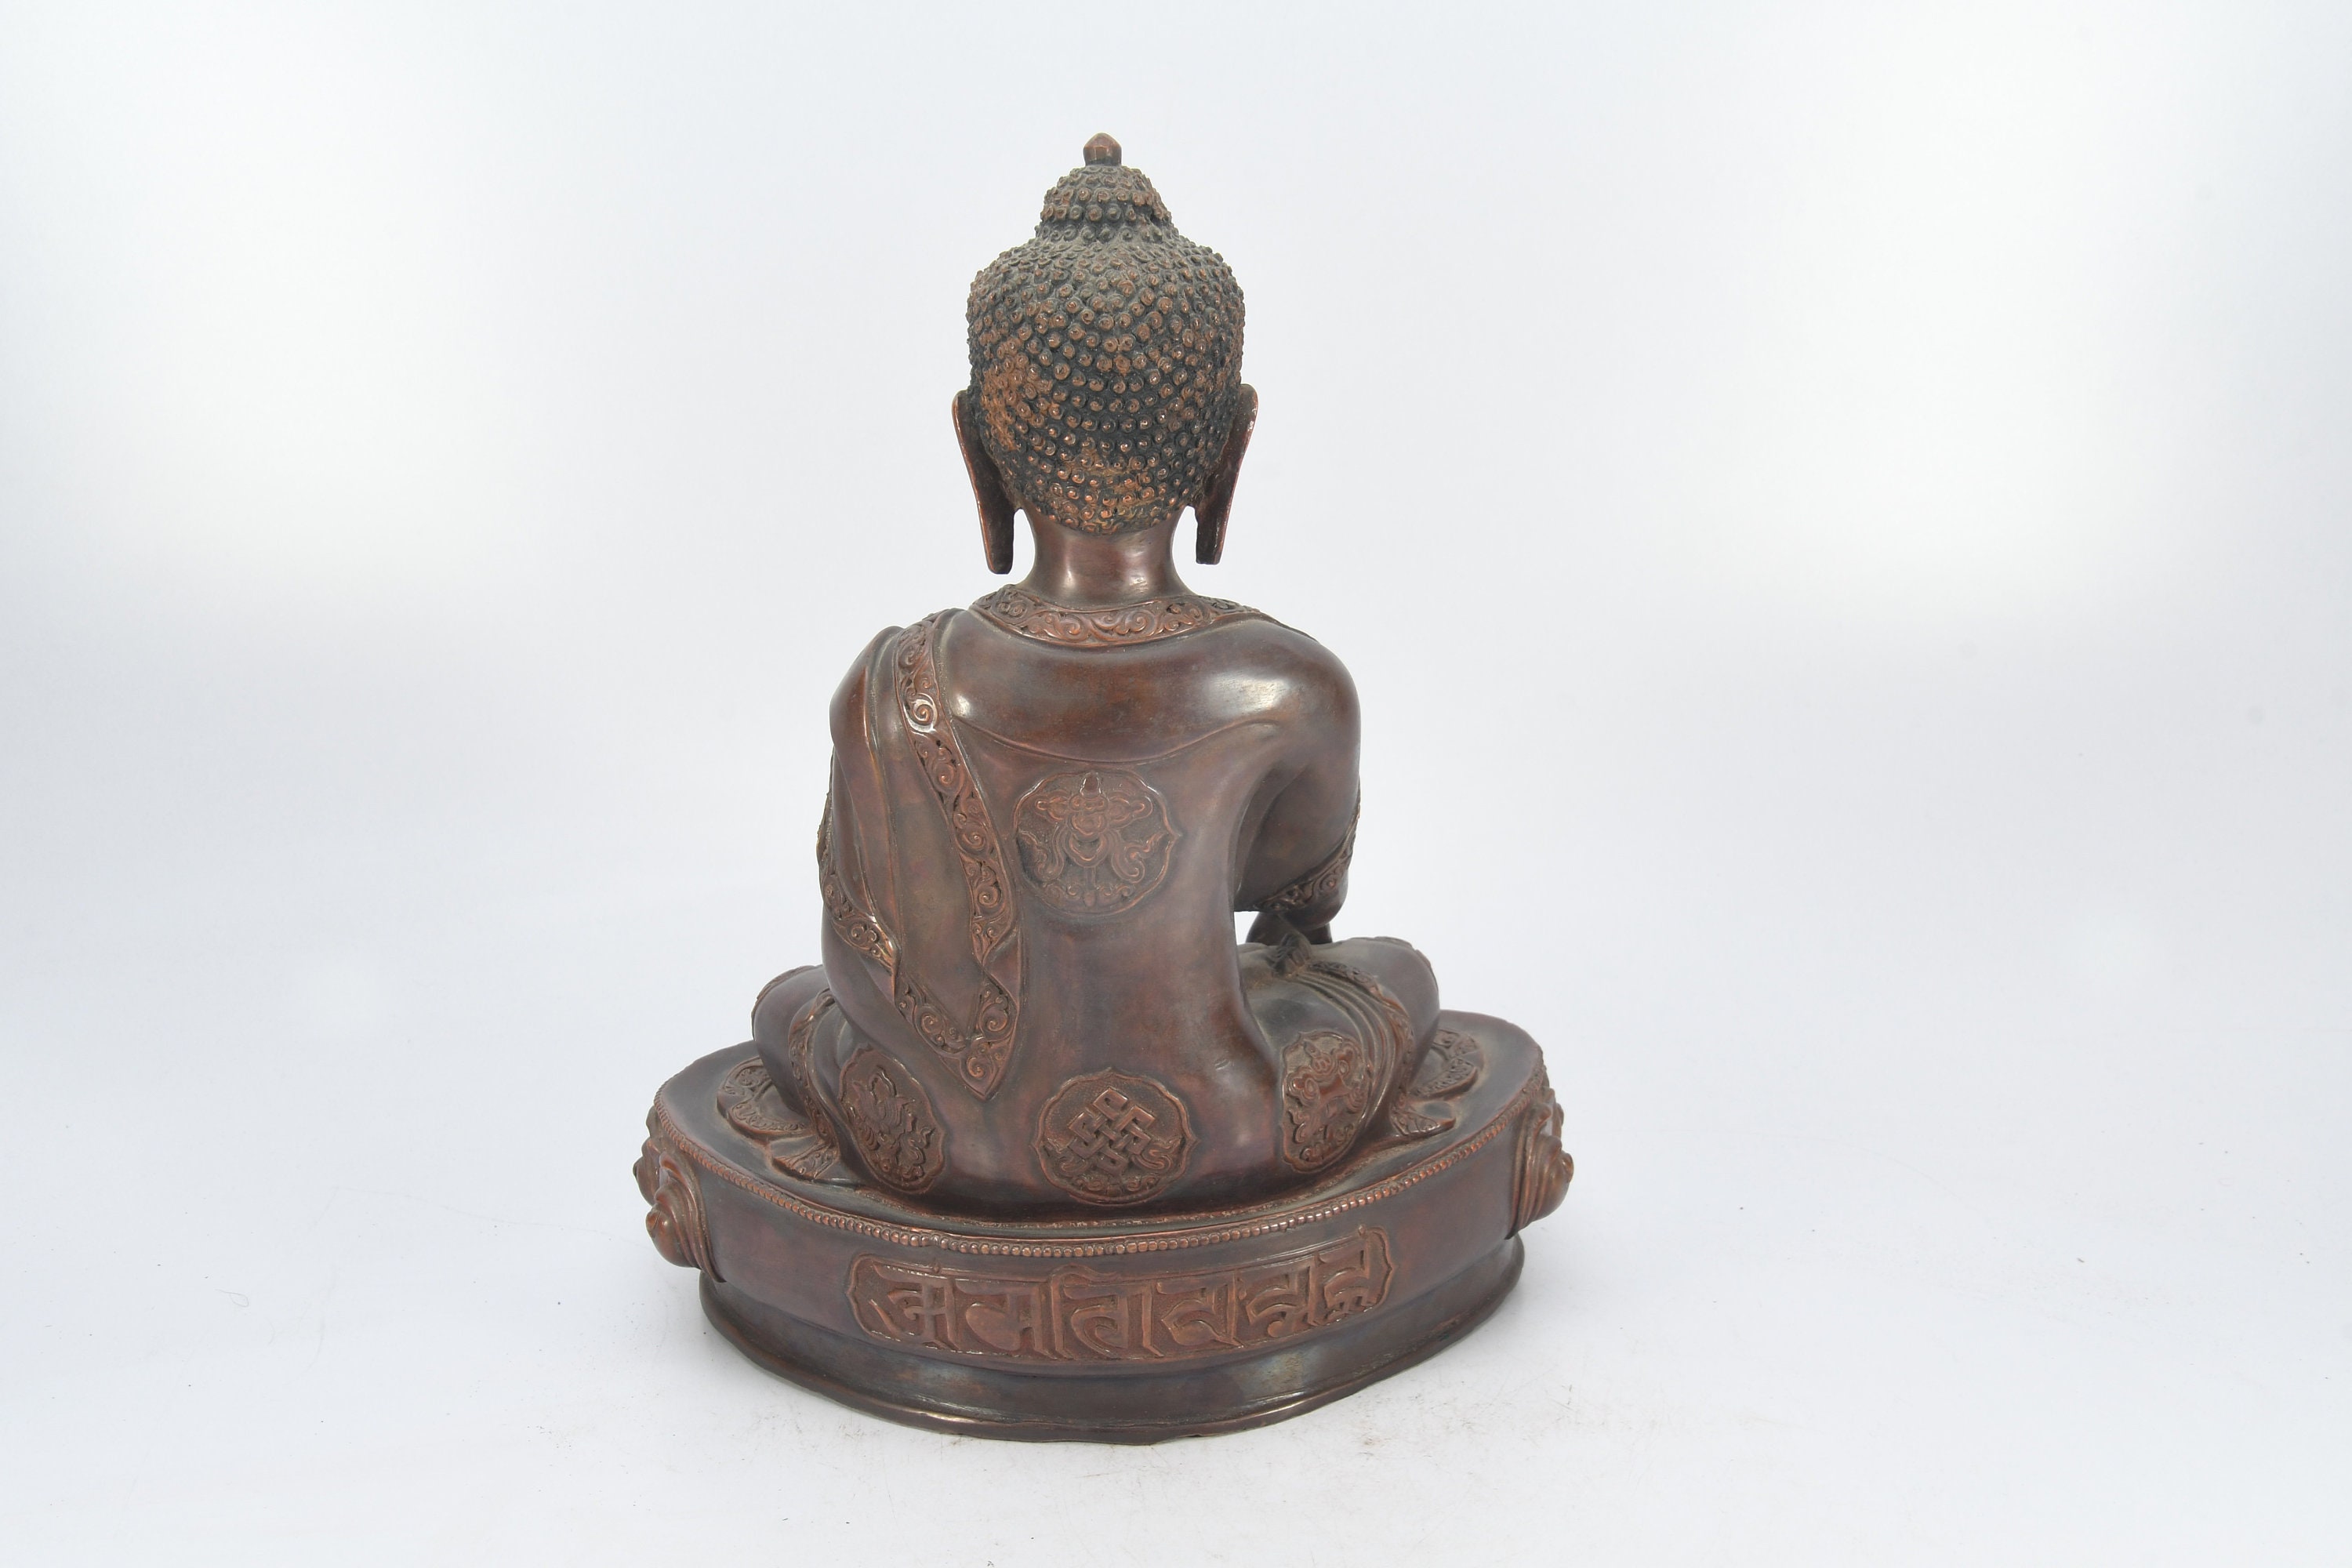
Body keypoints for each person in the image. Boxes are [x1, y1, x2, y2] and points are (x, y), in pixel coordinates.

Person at [750, 136, 1441, 1214]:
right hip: (1235, 1131)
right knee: (1398, 973)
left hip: (940, 1139)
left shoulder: (894, 682)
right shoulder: (1290, 687)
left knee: (785, 1005)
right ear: (1229, 449)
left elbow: (857, 974)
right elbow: (1298, 913)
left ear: (978, 448)